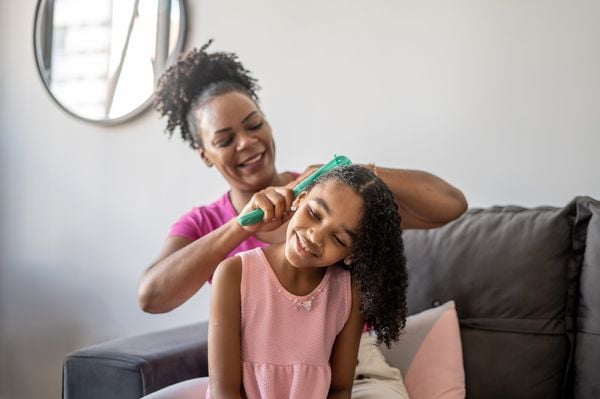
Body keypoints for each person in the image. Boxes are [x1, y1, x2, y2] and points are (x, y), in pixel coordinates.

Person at [138, 41, 467, 398]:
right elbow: (152, 297)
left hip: (349, 370)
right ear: (205, 155)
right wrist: (240, 227)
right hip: (257, 374)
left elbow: (450, 204)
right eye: (225, 139)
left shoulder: (331, 197)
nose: (247, 143)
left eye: (254, 125)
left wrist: (353, 173)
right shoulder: (205, 225)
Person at [207, 164, 407, 398]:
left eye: (337, 238)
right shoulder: (234, 274)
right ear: (300, 200)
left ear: (352, 254)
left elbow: (340, 389)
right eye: (314, 214)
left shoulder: (349, 292)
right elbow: (224, 390)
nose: (315, 236)